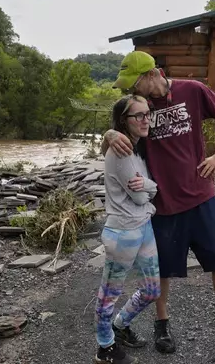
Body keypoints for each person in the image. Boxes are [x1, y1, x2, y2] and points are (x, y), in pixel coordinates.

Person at [101, 51, 215, 363]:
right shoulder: (139, 109)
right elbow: (113, 131)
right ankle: (162, 324)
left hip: (201, 197)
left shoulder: (192, 90)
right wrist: (110, 133)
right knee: (164, 270)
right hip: (164, 204)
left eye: (135, 83)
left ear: (152, 74)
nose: (133, 91)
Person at [94, 94, 161, 364]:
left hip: (143, 226)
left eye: (148, 114)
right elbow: (140, 197)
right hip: (122, 232)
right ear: (124, 120)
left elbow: (146, 190)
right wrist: (152, 186)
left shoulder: (138, 146)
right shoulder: (120, 150)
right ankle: (104, 346)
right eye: (139, 115)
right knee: (109, 293)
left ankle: (120, 326)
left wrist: (148, 185)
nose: (146, 120)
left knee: (152, 289)